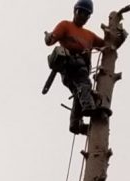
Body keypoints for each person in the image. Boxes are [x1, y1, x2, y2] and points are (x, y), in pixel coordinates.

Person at [45, 0, 107, 135]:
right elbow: (51, 39)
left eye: (86, 14)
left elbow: (106, 45)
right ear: (75, 11)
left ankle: (75, 124)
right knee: (84, 85)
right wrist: (49, 37)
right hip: (70, 65)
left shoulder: (90, 35)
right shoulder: (66, 26)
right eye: (80, 12)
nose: (82, 16)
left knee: (79, 92)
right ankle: (89, 107)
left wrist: (118, 37)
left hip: (83, 66)